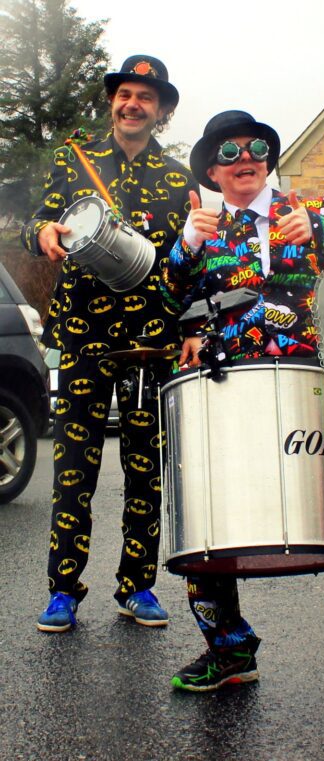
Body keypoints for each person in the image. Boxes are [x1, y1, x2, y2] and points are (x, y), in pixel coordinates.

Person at [159, 110, 324, 708]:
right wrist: (187, 244)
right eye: (229, 153)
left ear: (269, 156)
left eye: (256, 148)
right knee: (206, 515)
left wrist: (320, 233)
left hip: (315, 390)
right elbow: (166, 297)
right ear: (211, 168)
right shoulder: (203, 226)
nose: (245, 160)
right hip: (228, 395)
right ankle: (229, 652)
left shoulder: (311, 209)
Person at [22, 55, 198, 632]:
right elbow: (36, 223)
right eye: (125, 94)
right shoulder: (74, 162)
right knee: (74, 466)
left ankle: (137, 586)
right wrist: (43, 231)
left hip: (149, 341)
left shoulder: (178, 179)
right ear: (113, 103)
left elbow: (189, 266)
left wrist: (189, 325)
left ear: (162, 110)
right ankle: (64, 590)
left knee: (145, 465)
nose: (132, 104)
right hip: (79, 336)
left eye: (145, 97)